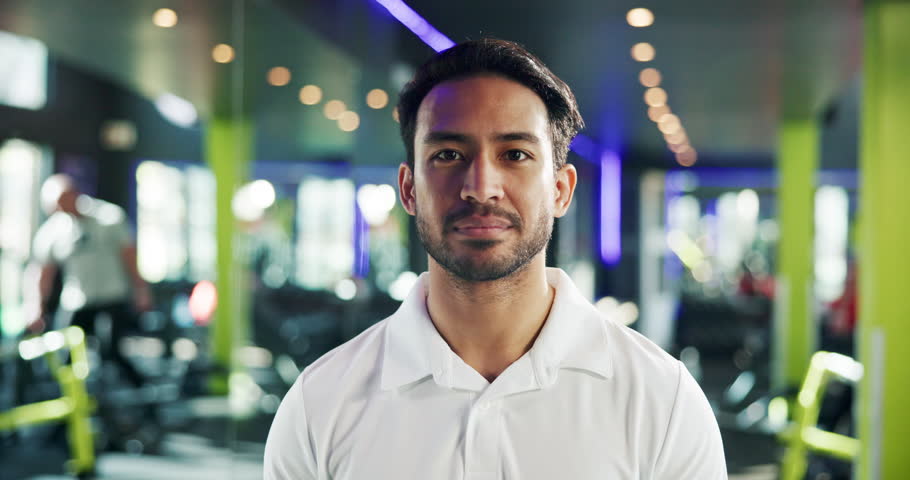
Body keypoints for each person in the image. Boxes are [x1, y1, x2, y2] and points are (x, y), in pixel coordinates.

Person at [264, 39, 727, 479]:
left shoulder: (661, 400)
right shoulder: (319, 404)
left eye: (515, 154)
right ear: (408, 189)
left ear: (561, 190)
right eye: (448, 154)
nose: (481, 187)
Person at [27, 174, 151, 388]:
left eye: (63, 201)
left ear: (74, 194)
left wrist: (141, 290)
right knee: (66, 353)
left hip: (112, 296)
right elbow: (43, 271)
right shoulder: (53, 231)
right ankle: (73, 401)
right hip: (77, 300)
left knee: (110, 350)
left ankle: (142, 390)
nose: (60, 208)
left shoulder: (109, 217)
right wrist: (36, 305)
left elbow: (130, 257)